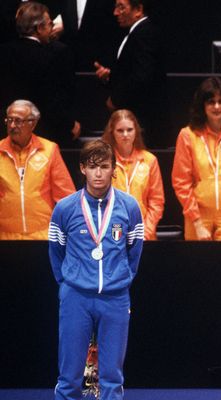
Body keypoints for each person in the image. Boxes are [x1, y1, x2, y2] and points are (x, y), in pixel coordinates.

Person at [48, 139, 144, 400]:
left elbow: (134, 250)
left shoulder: (129, 207)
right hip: (76, 297)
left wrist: (120, 279)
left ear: (113, 168)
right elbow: (56, 252)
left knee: (112, 377)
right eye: (93, 167)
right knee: (69, 376)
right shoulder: (65, 208)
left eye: (104, 166)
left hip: (115, 297)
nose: (98, 173)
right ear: (82, 169)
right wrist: (69, 283)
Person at [172, 77, 221, 241]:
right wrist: (197, 223)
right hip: (198, 216)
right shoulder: (188, 135)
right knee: (197, 266)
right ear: (202, 105)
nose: (217, 106)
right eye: (211, 102)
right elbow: (181, 182)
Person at [0, 1, 80, 147]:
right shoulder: (54, 56)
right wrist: (69, 124)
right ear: (38, 28)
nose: (52, 28)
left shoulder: (3, 53)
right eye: (49, 24)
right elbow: (56, 100)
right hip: (44, 134)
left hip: (6, 132)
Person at [94, 0, 169, 148]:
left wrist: (115, 99)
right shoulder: (138, 32)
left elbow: (143, 77)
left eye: (121, 7)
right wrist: (111, 77)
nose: (115, 12)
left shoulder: (144, 33)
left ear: (138, 9)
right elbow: (135, 72)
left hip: (144, 123)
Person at [0, 100, 75, 240]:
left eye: (18, 121)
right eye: (9, 120)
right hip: (4, 238)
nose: (12, 125)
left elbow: (66, 198)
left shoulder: (49, 150)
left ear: (32, 123)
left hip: (43, 237)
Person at [102, 109, 165, 240]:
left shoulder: (150, 160)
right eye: (120, 130)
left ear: (136, 131)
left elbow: (156, 201)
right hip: (111, 233)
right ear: (112, 132)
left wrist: (145, 232)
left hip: (144, 233)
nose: (125, 134)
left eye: (129, 130)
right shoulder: (102, 161)